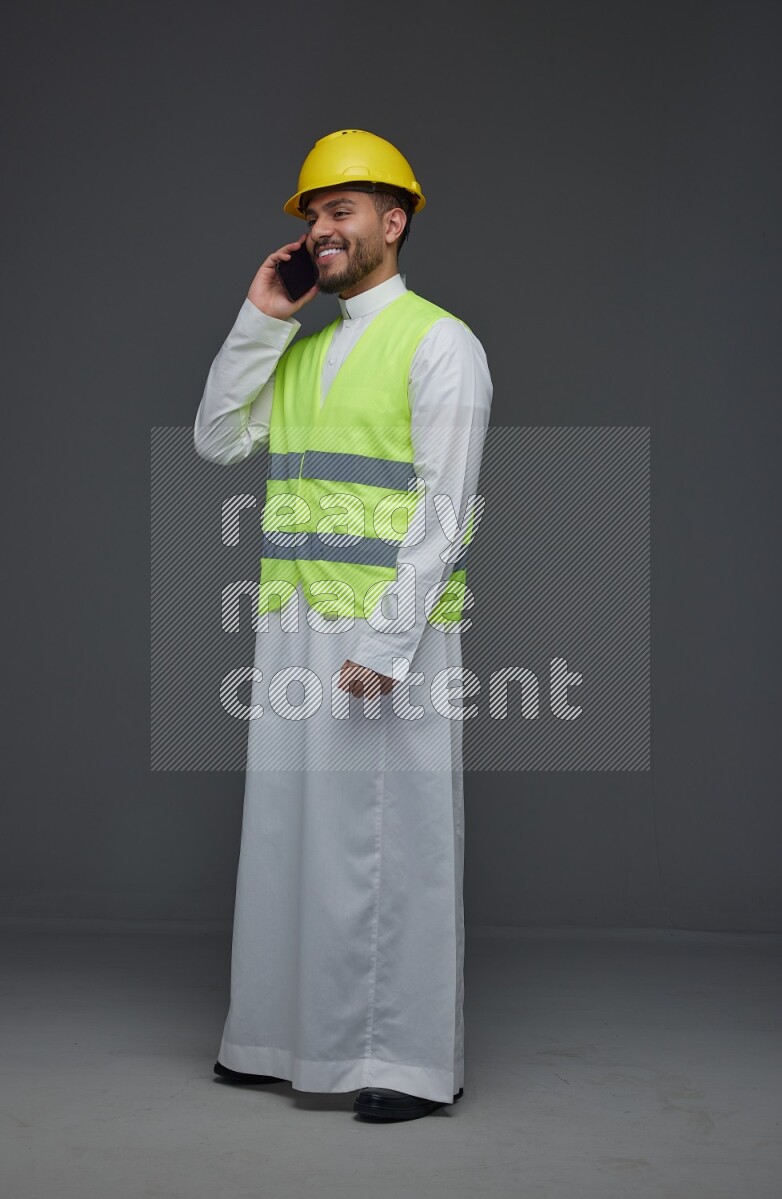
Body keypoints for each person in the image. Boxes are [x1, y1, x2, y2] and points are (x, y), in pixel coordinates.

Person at [193, 129, 493, 1122]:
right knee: (290, 834)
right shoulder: (304, 347)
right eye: (311, 215)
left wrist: (383, 643)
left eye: (339, 211)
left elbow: (444, 509)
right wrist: (259, 317)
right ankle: (275, 1039)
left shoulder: (440, 341)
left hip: (381, 635)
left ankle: (401, 1060)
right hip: (290, 626)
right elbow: (217, 439)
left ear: (392, 221)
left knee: (388, 839)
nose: (320, 229)